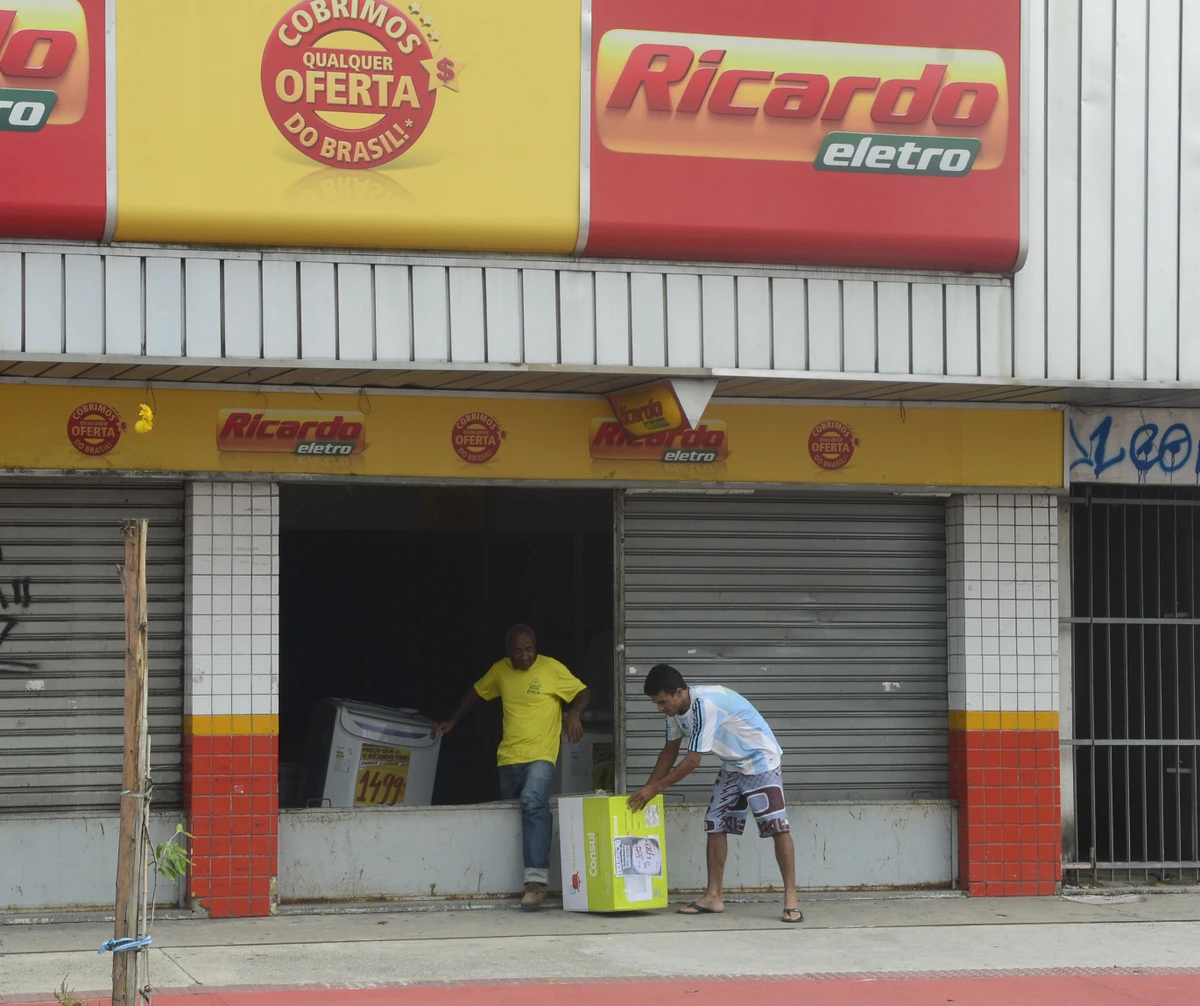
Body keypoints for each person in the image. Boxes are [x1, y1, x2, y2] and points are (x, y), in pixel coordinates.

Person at [628, 663, 801, 924]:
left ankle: (791, 899)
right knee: (715, 823)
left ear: (679, 692)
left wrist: (655, 788)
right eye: (657, 703)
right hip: (733, 765)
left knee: (777, 826)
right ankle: (713, 897)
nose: (660, 708)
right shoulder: (674, 711)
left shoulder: (705, 704)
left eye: (662, 702)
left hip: (761, 760)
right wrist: (647, 790)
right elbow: (670, 751)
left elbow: (692, 761)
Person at [433, 624, 590, 909]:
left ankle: (536, 883)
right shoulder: (500, 671)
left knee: (533, 803)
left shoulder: (551, 668)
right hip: (508, 758)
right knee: (515, 815)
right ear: (508, 651)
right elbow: (476, 692)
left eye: (529, 649)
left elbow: (583, 692)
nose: (525, 656)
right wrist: (454, 720)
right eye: (518, 651)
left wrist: (574, 712)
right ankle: (510, 881)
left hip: (541, 754)